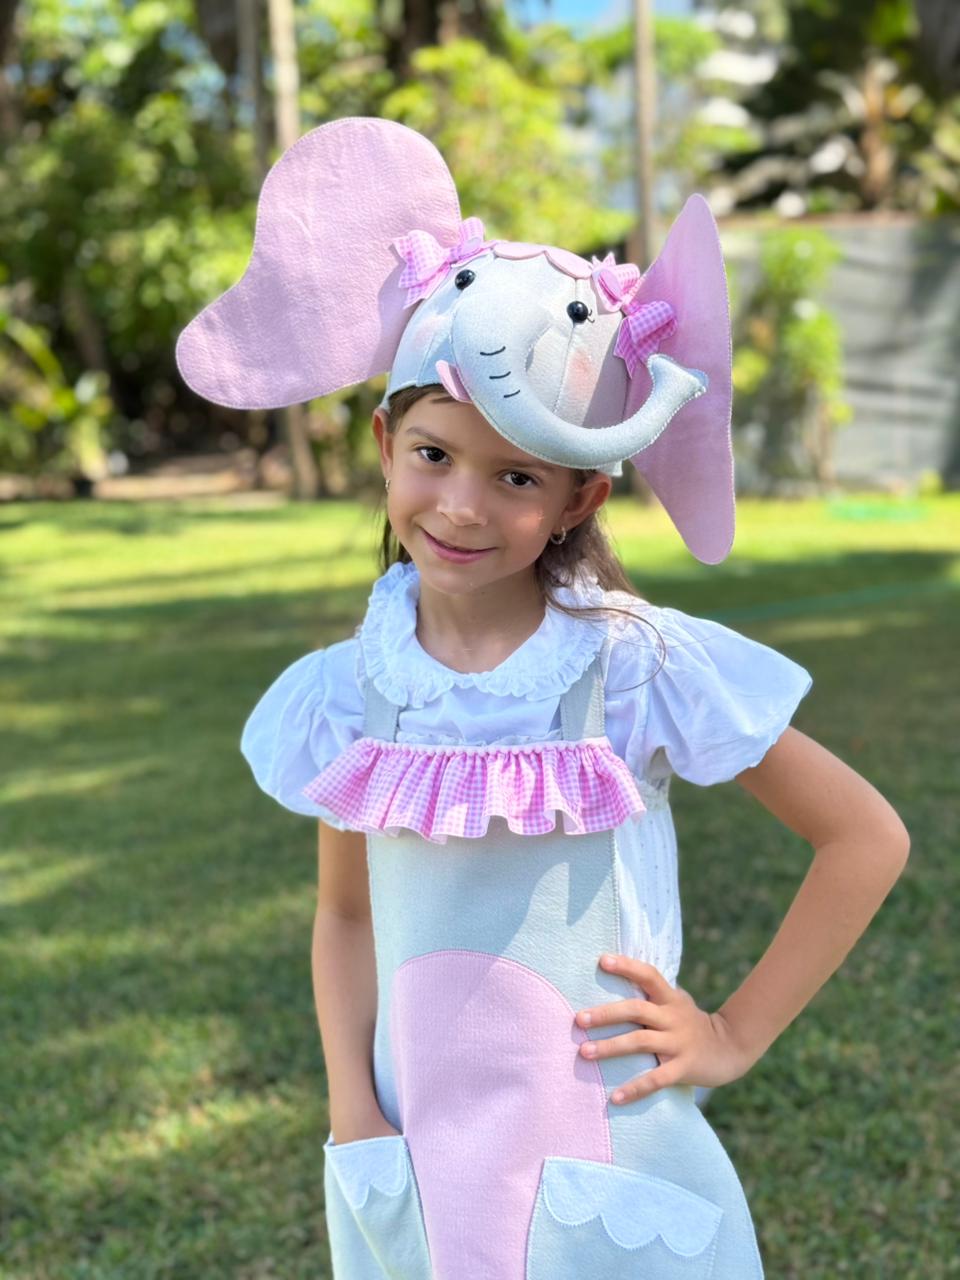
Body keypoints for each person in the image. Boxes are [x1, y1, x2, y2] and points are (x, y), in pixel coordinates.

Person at [178, 118, 910, 1279]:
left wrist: (731, 1031)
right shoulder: (352, 691)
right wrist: (351, 1105)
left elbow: (865, 835)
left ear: (579, 498)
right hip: (417, 1149)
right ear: (385, 439)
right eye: (434, 454)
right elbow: (348, 914)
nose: (463, 505)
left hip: (607, 1153)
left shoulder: (633, 665)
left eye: (515, 474)